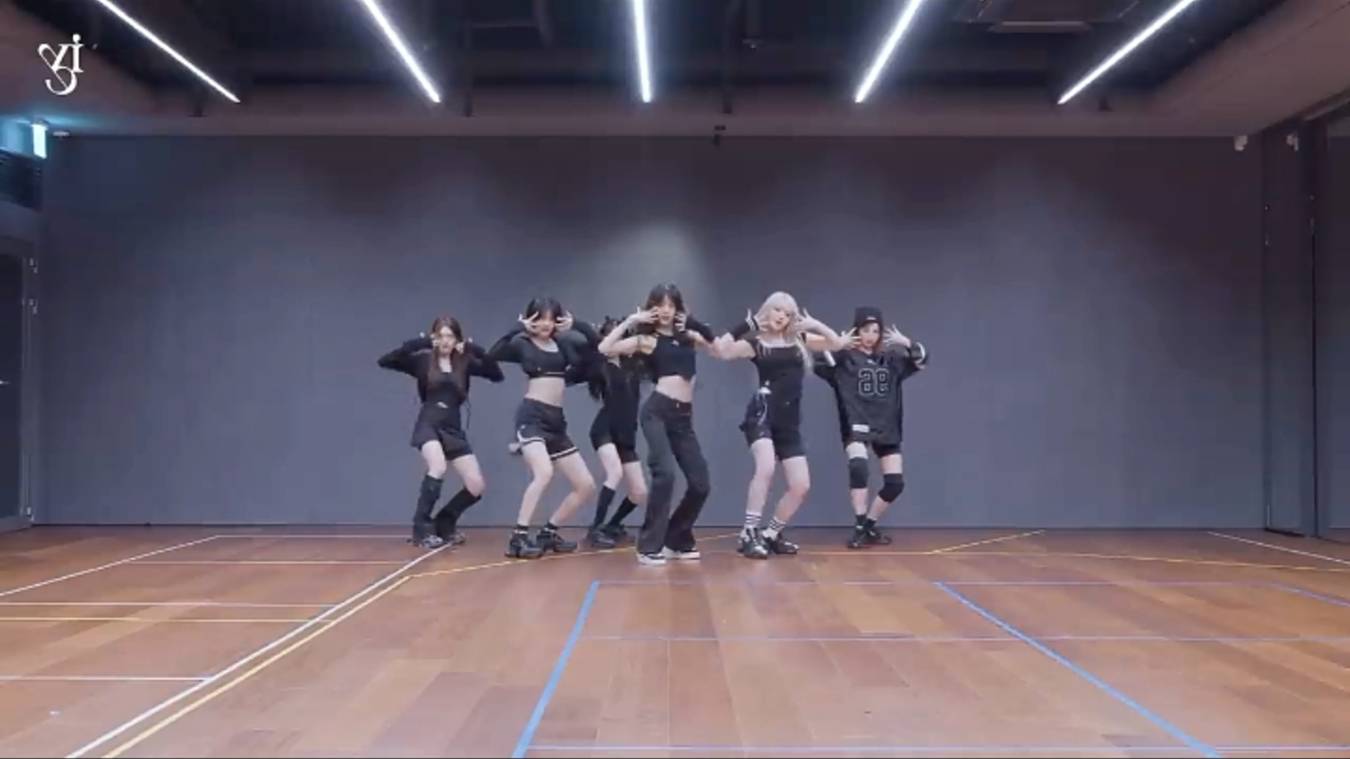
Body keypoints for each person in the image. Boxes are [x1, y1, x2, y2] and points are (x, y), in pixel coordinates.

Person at [714, 292, 854, 559]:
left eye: (788, 313)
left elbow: (836, 344)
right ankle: (748, 532)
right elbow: (721, 350)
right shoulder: (756, 344)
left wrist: (815, 324)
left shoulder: (799, 340)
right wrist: (747, 325)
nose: (782, 316)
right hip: (762, 414)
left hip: (789, 421)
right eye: (778, 310)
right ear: (768, 310)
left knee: (801, 485)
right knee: (766, 467)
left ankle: (771, 534)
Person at [598, 284, 716, 566]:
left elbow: (718, 347)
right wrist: (631, 321)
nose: (665, 310)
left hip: (683, 417)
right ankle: (649, 545)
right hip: (657, 412)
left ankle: (676, 538)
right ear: (652, 308)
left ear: (677, 308)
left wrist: (695, 324)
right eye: (660, 305)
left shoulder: (689, 337)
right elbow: (604, 348)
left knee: (700, 483)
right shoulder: (647, 340)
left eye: (671, 305)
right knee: (665, 475)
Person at [488, 298, 600, 559]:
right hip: (532, 417)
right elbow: (493, 354)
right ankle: (518, 537)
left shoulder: (563, 344)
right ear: (531, 319)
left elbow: (596, 350)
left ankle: (549, 532)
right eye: (540, 318)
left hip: (556, 423)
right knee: (544, 472)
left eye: (551, 318)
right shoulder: (522, 343)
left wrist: (577, 325)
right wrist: (519, 327)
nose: (546, 324)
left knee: (585, 485)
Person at [378, 316, 504, 549]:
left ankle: (444, 523)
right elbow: (386, 361)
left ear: (457, 339)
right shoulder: (424, 361)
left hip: (453, 427)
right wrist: (420, 343)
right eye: (441, 336)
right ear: (435, 337)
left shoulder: (464, 362)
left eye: (450, 336)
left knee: (476, 485)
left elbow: (496, 375)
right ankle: (421, 528)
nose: (446, 341)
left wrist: (474, 349)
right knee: (437, 466)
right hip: (429, 422)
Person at [814, 307, 928, 548]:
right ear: (857, 330)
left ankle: (869, 525)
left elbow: (922, 360)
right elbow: (818, 360)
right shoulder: (844, 358)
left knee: (895, 484)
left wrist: (906, 343)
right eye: (866, 330)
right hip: (857, 423)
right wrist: (836, 343)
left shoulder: (890, 359)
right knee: (859, 467)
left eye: (876, 331)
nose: (870, 336)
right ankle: (859, 526)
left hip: (886, 426)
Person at [584, 316, 649, 548]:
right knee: (614, 473)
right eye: (614, 336)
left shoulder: (635, 365)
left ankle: (612, 525)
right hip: (604, 429)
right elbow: (601, 349)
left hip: (626, 434)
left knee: (639, 491)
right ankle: (595, 529)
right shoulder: (601, 366)